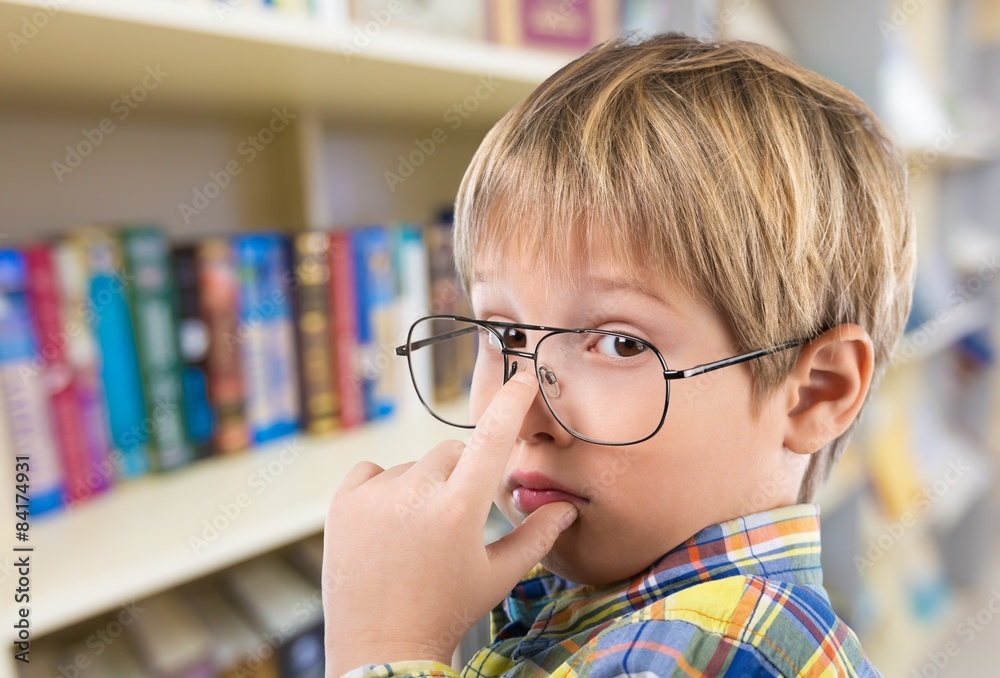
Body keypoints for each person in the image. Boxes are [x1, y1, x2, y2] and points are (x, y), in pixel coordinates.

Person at [322, 32, 914, 677]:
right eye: (508, 336)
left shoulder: (706, 652)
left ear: (815, 392)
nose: (524, 416)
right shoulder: (625, 600)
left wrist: (381, 645)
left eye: (620, 343)